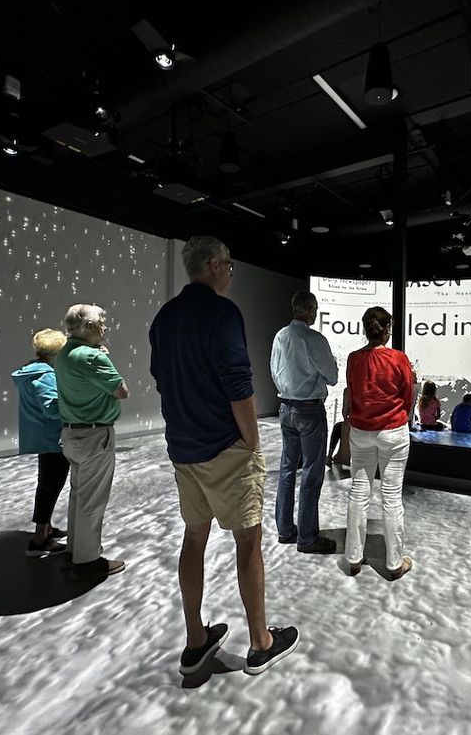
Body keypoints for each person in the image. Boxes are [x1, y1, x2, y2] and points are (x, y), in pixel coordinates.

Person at [150, 235, 298, 677]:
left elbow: (161, 378)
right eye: (229, 263)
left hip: (184, 448)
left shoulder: (164, 317)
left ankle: (196, 639)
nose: (232, 271)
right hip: (225, 449)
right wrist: (252, 440)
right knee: (247, 540)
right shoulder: (222, 312)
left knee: (193, 538)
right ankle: (260, 642)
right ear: (213, 265)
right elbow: (238, 383)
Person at [55, 304, 129, 579]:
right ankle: (87, 561)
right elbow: (122, 391)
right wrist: (105, 359)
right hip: (95, 434)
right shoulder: (92, 357)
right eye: (101, 322)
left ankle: (75, 550)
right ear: (88, 327)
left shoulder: (65, 353)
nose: (105, 327)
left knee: (78, 495)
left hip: (73, 433)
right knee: (92, 500)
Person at [344, 306, 415, 580]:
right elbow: (408, 395)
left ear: (366, 329)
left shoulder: (353, 359)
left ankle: (353, 558)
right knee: (391, 497)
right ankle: (395, 563)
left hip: (361, 431)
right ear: (387, 329)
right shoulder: (398, 358)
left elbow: (351, 390)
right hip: (393, 432)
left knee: (358, 494)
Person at [270, 290, 338, 554]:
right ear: (310, 310)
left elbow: (274, 371)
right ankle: (307, 537)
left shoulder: (280, 336)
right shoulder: (315, 339)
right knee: (312, 472)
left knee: (287, 470)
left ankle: (285, 530)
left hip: (286, 407)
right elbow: (331, 377)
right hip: (309, 411)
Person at [12, 328, 70, 556]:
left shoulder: (32, 373)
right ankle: (38, 540)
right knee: (50, 486)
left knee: (48, 484)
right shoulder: (46, 376)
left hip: (44, 437)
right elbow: (52, 408)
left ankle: (45, 529)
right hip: (53, 438)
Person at [327, 388, 352, 467]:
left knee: (338, 427)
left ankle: (329, 456)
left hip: (355, 422)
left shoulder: (349, 391)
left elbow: (345, 412)